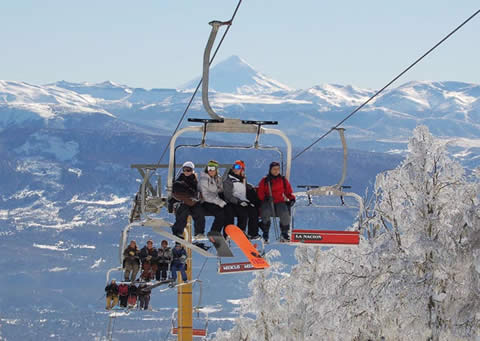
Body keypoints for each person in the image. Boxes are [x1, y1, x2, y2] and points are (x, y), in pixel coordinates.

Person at [257, 161, 296, 242]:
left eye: (278, 169)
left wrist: (291, 198)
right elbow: (260, 192)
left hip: (279, 201)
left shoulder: (283, 180)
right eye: (274, 169)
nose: (276, 171)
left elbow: (288, 191)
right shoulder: (265, 180)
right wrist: (265, 198)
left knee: (285, 213)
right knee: (266, 212)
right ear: (270, 170)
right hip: (268, 201)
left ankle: (284, 232)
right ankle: (265, 231)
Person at [223, 160, 261, 239]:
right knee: (242, 213)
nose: (235, 169)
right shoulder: (229, 180)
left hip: (242, 201)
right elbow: (228, 195)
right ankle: (232, 233)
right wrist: (239, 202)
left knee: (253, 211)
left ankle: (252, 233)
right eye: (234, 167)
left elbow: (244, 190)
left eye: (238, 167)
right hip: (232, 202)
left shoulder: (242, 179)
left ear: (242, 169)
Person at [171, 161, 206, 239]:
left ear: (192, 170)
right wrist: (189, 192)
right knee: (183, 212)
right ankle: (178, 231)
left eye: (188, 170)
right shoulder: (180, 179)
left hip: (193, 203)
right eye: (184, 170)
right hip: (184, 202)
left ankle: (199, 232)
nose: (186, 172)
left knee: (199, 212)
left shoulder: (195, 181)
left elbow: (198, 192)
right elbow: (176, 189)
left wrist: (196, 196)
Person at [199, 160, 226, 237]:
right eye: (209, 168)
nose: (210, 170)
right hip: (205, 202)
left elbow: (220, 190)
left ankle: (225, 233)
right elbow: (205, 195)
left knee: (227, 211)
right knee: (220, 213)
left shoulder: (218, 178)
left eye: (212, 168)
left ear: (216, 169)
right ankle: (214, 232)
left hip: (214, 200)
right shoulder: (204, 179)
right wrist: (219, 201)